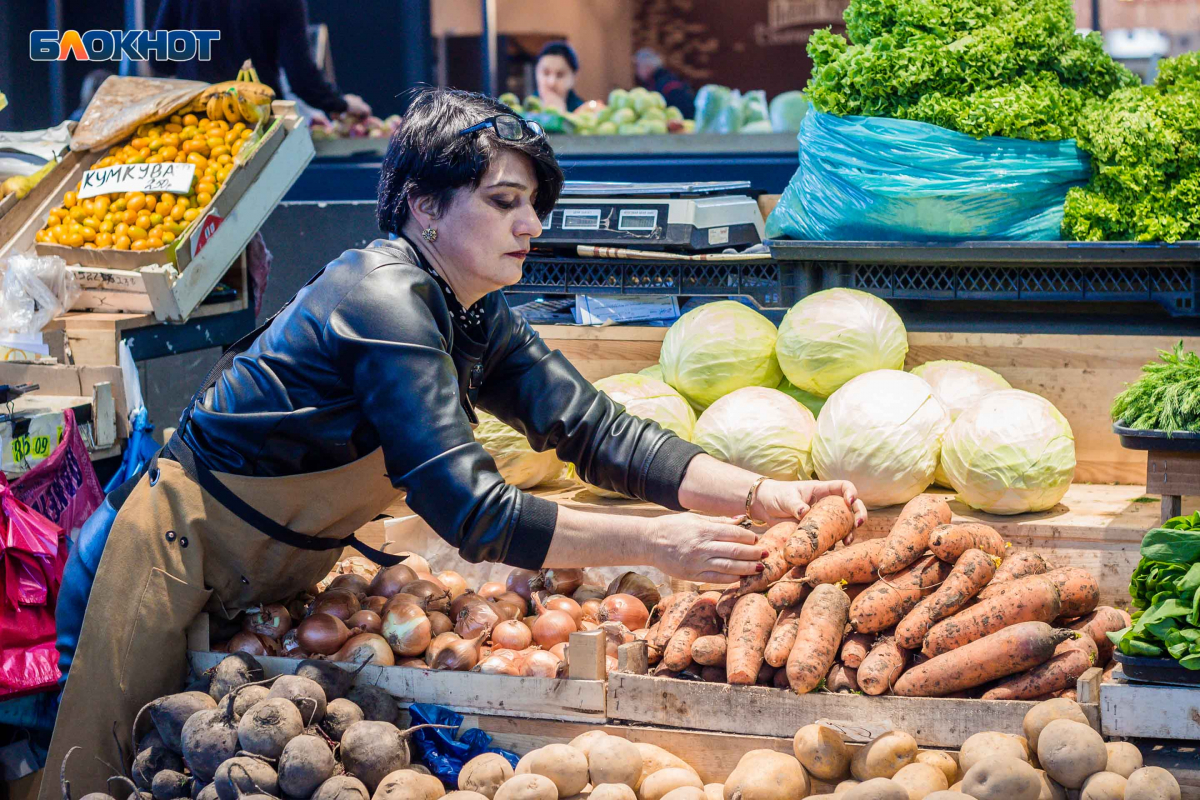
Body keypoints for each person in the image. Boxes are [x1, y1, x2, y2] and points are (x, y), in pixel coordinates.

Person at [42, 88, 866, 799]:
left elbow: (594, 428)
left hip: (264, 573)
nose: (532, 223)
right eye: (504, 201)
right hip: (156, 562)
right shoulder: (382, 297)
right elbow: (469, 507)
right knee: (102, 772)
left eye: (534, 202)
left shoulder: (468, 309)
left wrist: (762, 494)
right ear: (424, 206)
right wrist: (659, 543)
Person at [151, 0, 370, 121]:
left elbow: (159, 59)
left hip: (194, 121)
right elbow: (301, 77)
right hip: (257, 123)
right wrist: (342, 104)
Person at [634, 48, 696, 120]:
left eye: (638, 66)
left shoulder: (665, 85)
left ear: (647, 67)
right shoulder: (664, 79)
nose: (636, 71)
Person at [534, 41, 585, 112]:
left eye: (560, 75)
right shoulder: (521, 113)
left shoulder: (584, 111)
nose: (551, 82)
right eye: (546, 73)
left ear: (574, 78)